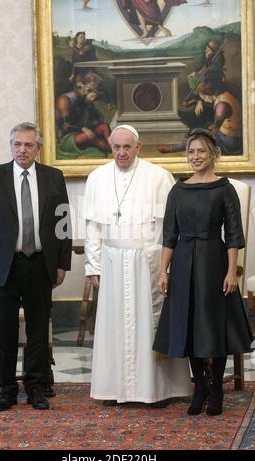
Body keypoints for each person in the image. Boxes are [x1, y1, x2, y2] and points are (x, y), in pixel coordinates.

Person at [83, 124, 192, 407]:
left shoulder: (159, 177)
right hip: (112, 263)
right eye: (116, 147)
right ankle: (114, 389)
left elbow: (172, 227)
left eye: (127, 147)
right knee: (114, 327)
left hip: (149, 264)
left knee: (150, 326)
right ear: (111, 147)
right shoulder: (97, 178)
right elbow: (92, 226)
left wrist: (167, 267)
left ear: (138, 147)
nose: (122, 153)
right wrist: (93, 265)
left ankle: (157, 391)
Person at [0, 122, 72, 411]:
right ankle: (6, 390)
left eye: (28, 145)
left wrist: (63, 262)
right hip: (3, 267)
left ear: (37, 148)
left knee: (38, 331)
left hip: (41, 265)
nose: (22, 150)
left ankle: (36, 388)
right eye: (17, 144)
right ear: (10, 145)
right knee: (5, 331)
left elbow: (64, 222)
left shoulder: (54, 177)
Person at [153, 128, 253, 416]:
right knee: (189, 323)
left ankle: (217, 388)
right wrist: (163, 271)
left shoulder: (224, 189)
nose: (195, 156)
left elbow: (234, 234)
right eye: (191, 152)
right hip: (183, 262)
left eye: (201, 151)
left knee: (213, 323)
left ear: (213, 154)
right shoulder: (178, 190)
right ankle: (199, 387)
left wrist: (232, 272)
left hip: (214, 261)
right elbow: (169, 235)